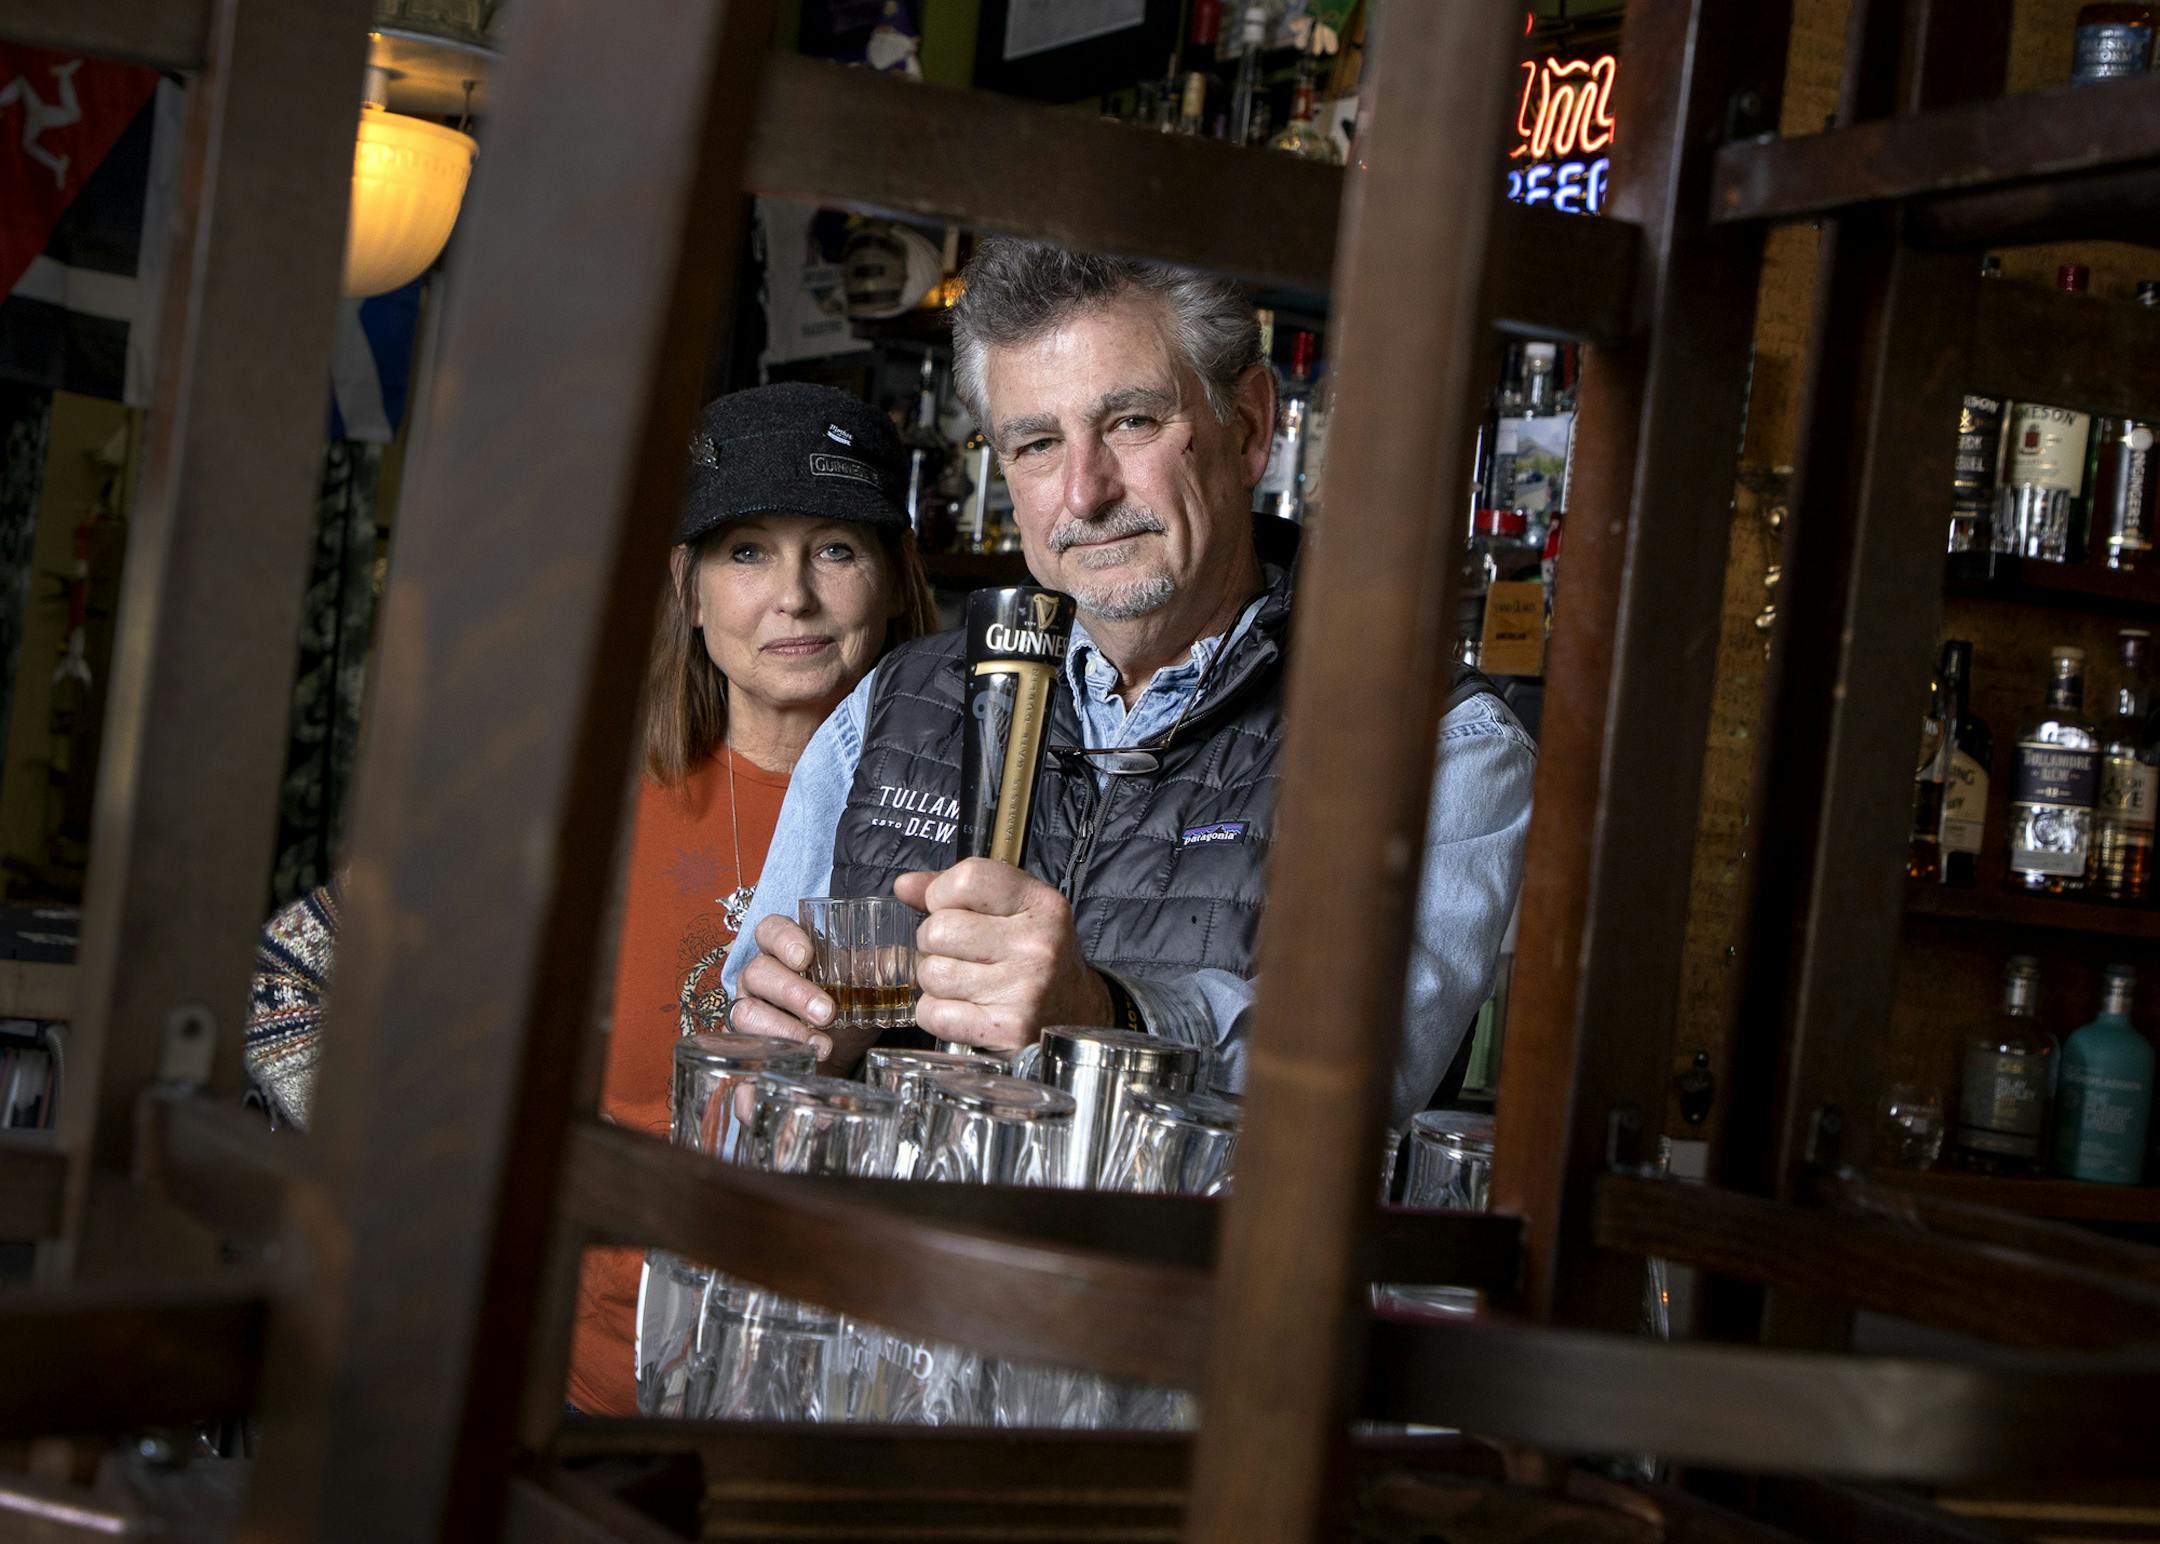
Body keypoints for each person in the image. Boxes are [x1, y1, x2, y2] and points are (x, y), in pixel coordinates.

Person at [723, 239, 1535, 1124]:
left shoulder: (1438, 743)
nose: (1084, 493)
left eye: (1131, 423)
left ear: (1250, 427)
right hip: (909, 1259)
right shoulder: (892, 704)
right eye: (1036, 443)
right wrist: (798, 1045)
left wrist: (1105, 1015)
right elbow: (752, 1071)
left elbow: (1350, 1086)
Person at [243, 382, 938, 1415]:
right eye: (746, 550)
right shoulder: (585, 802)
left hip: (838, 1415)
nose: (792, 595)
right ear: (687, 584)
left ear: (890, 577)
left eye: (834, 547)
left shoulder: (962, 818)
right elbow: (292, 976)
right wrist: (434, 1200)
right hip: (569, 1398)